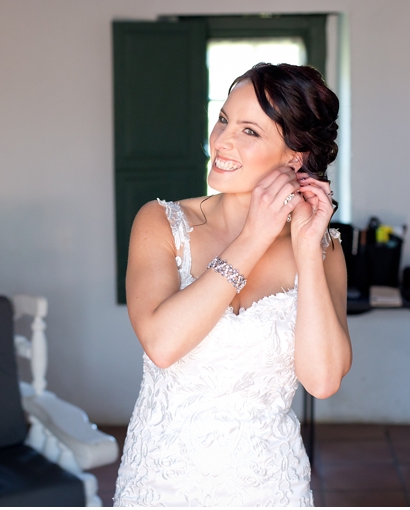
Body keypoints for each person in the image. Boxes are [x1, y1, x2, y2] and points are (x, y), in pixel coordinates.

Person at [113, 63, 352, 507]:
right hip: (162, 482)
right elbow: (162, 345)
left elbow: (322, 380)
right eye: (223, 119)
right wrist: (253, 237)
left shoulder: (324, 249)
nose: (221, 140)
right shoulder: (160, 223)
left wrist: (305, 249)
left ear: (294, 157)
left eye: (249, 131)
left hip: (269, 485)